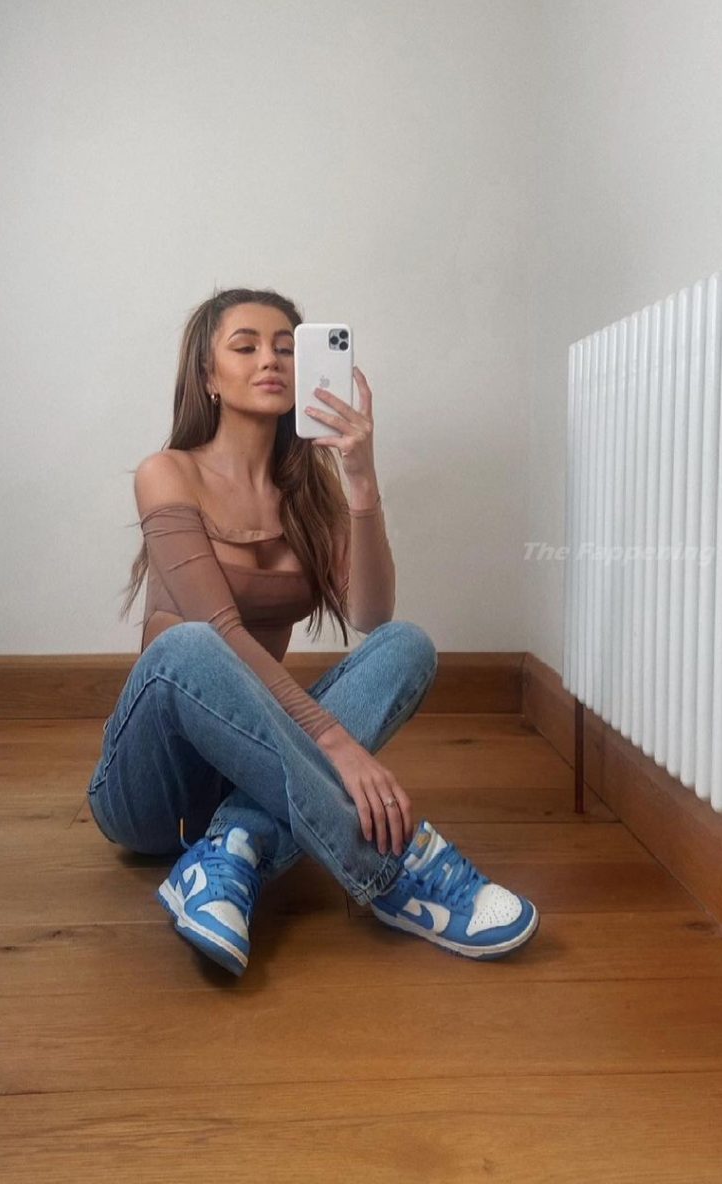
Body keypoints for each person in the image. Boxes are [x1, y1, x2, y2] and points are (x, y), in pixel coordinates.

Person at [86, 287, 539, 977]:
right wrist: (334, 743)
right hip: (152, 792)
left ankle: (232, 845)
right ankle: (396, 871)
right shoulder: (167, 474)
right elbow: (220, 629)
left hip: (251, 765)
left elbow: (371, 617)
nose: (270, 360)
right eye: (245, 347)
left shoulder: (309, 493)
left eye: (287, 348)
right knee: (191, 644)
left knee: (407, 645)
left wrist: (360, 480)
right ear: (209, 377)